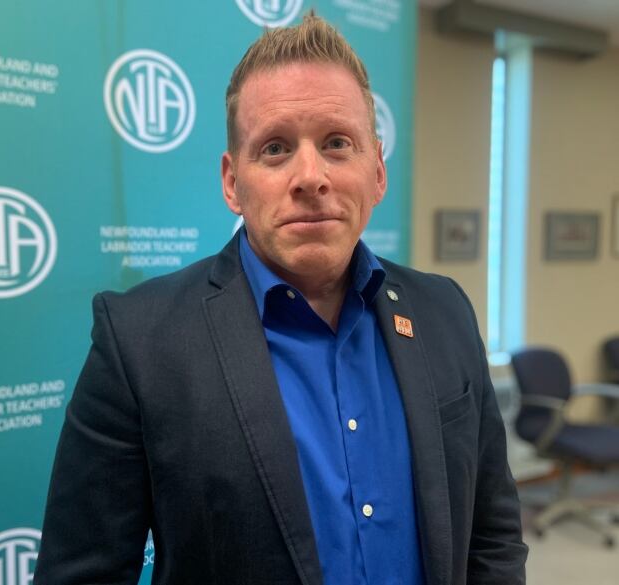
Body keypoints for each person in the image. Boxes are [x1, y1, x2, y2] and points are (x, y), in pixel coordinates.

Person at [35, 14, 527, 585]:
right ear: (231, 182)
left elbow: (491, 532)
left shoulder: (443, 311)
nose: (311, 176)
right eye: (275, 148)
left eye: (337, 143)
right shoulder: (139, 343)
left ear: (377, 172)